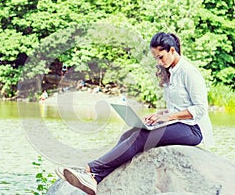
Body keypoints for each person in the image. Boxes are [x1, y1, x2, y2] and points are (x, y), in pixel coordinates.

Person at [55, 32, 213, 195]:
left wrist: (167, 117)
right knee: (129, 134)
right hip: (178, 123)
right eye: (156, 58)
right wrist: (158, 115)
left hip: (194, 129)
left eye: (161, 57)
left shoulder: (189, 73)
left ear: (172, 50)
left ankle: (90, 169)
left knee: (142, 137)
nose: (159, 62)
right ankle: (96, 178)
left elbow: (200, 108)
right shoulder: (171, 72)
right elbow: (176, 107)